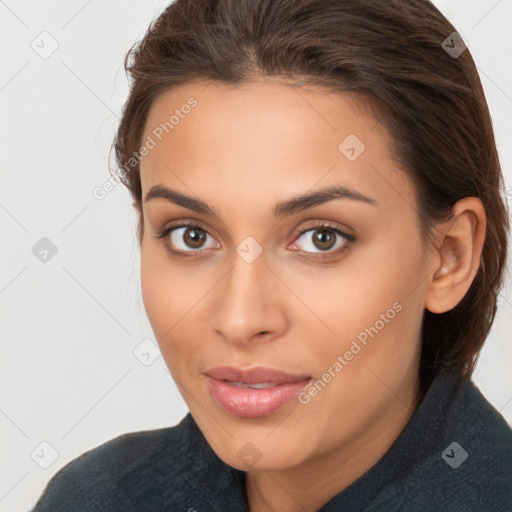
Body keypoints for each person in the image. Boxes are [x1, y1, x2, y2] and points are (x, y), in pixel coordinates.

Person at [31, 0, 512, 510]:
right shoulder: (94, 499)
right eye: (190, 235)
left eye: (320, 238)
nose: (240, 319)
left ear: (449, 257)